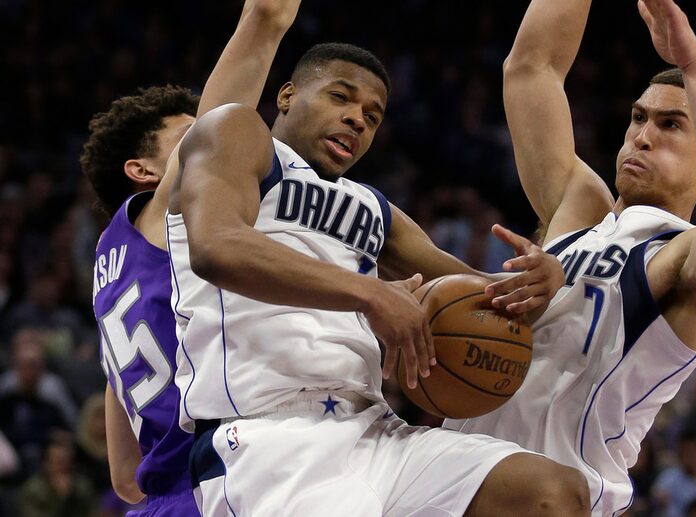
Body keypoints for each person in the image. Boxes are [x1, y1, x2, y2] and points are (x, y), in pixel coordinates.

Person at [168, 41, 589, 516]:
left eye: (373, 115)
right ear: (287, 95)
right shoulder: (238, 134)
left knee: (553, 494)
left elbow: (481, 294)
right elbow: (216, 246)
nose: (357, 119)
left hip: (375, 430)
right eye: (340, 97)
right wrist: (369, 293)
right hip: (267, 437)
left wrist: (538, 283)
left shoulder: (372, 208)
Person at [444, 0, 696, 515]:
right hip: (452, 477)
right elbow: (532, 69)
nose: (641, 137)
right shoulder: (580, 211)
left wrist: (694, 65)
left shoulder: (680, 258)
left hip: (557, 497)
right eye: (638, 118)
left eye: (670, 125)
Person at [81, 0, 305, 512]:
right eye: (191, 138)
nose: (212, 145)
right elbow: (266, 15)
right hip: (223, 485)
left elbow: (123, 476)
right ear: (142, 171)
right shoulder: (169, 214)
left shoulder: (110, 264)